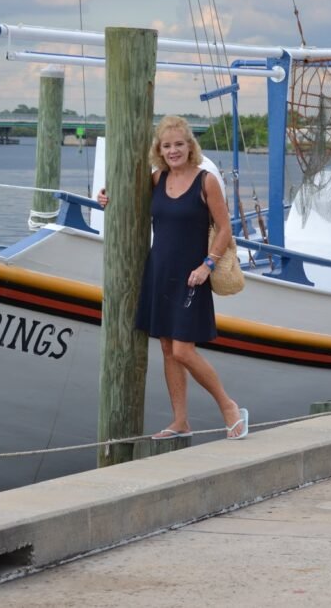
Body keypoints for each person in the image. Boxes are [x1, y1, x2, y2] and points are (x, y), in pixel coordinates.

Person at [98, 116, 248, 440]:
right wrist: (106, 197)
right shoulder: (156, 179)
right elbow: (123, 199)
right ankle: (180, 421)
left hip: (191, 276)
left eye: (179, 144)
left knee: (182, 350)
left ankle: (229, 406)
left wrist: (208, 265)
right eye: (167, 145)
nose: (173, 150)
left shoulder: (205, 181)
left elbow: (224, 229)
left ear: (189, 146)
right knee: (167, 349)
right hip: (159, 272)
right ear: (159, 150)